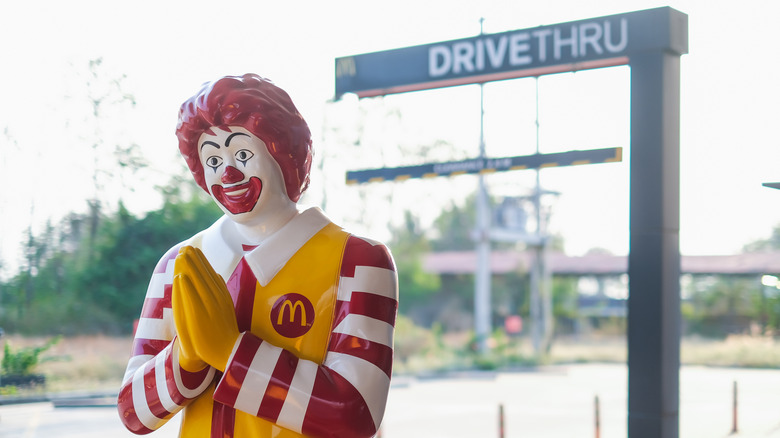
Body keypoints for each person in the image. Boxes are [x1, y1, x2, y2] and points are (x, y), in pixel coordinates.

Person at [117, 74, 398, 438]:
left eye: (243, 154)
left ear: (284, 152)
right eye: (213, 159)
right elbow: (133, 412)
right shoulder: (176, 265)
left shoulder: (358, 261)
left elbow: (355, 414)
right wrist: (186, 357)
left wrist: (230, 352)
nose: (227, 173)